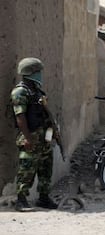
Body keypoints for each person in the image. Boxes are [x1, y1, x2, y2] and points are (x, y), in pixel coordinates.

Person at [10, 57, 59, 212]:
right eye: (38, 71)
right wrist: (27, 137)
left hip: (43, 137)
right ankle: (21, 200)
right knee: (27, 169)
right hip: (30, 137)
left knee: (46, 168)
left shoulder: (36, 91)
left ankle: (43, 198)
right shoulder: (20, 92)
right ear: (30, 72)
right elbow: (20, 117)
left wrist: (53, 133)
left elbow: (44, 114)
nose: (40, 74)